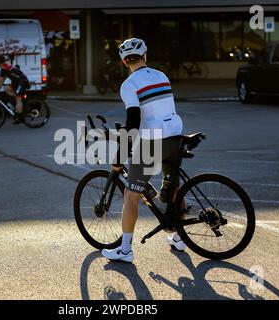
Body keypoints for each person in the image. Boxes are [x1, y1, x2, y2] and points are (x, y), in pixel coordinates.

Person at [101, 38, 187, 263]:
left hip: (152, 141)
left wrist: (120, 156)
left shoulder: (129, 84)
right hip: (175, 134)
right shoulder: (162, 76)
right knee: (174, 186)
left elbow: (133, 121)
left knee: (131, 195)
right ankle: (179, 236)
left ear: (124, 62)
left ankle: (125, 250)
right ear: (145, 56)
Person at [0, 54, 31, 124]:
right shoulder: (4, 67)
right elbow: (2, 81)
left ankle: (20, 117)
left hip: (22, 82)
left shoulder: (4, 68)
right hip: (16, 81)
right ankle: (18, 106)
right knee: (7, 89)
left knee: (18, 98)